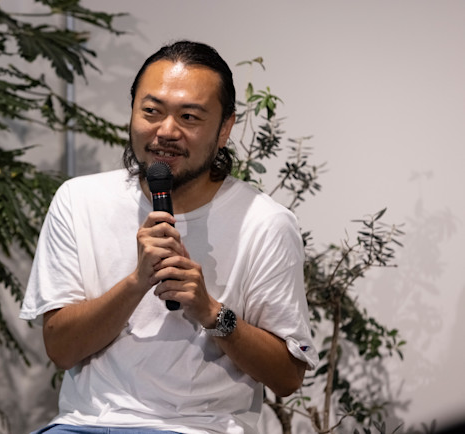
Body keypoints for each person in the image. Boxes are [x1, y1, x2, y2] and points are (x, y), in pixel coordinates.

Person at [19, 40, 318, 434]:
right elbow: (61, 350)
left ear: (224, 128)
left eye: (189, 117)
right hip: (85, 424)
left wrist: (212, 313)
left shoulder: (265, 223)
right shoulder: (79, 200)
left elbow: (287, 377)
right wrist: (135, 283)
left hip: (199, 427)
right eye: (151, 111)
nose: (166, 131)